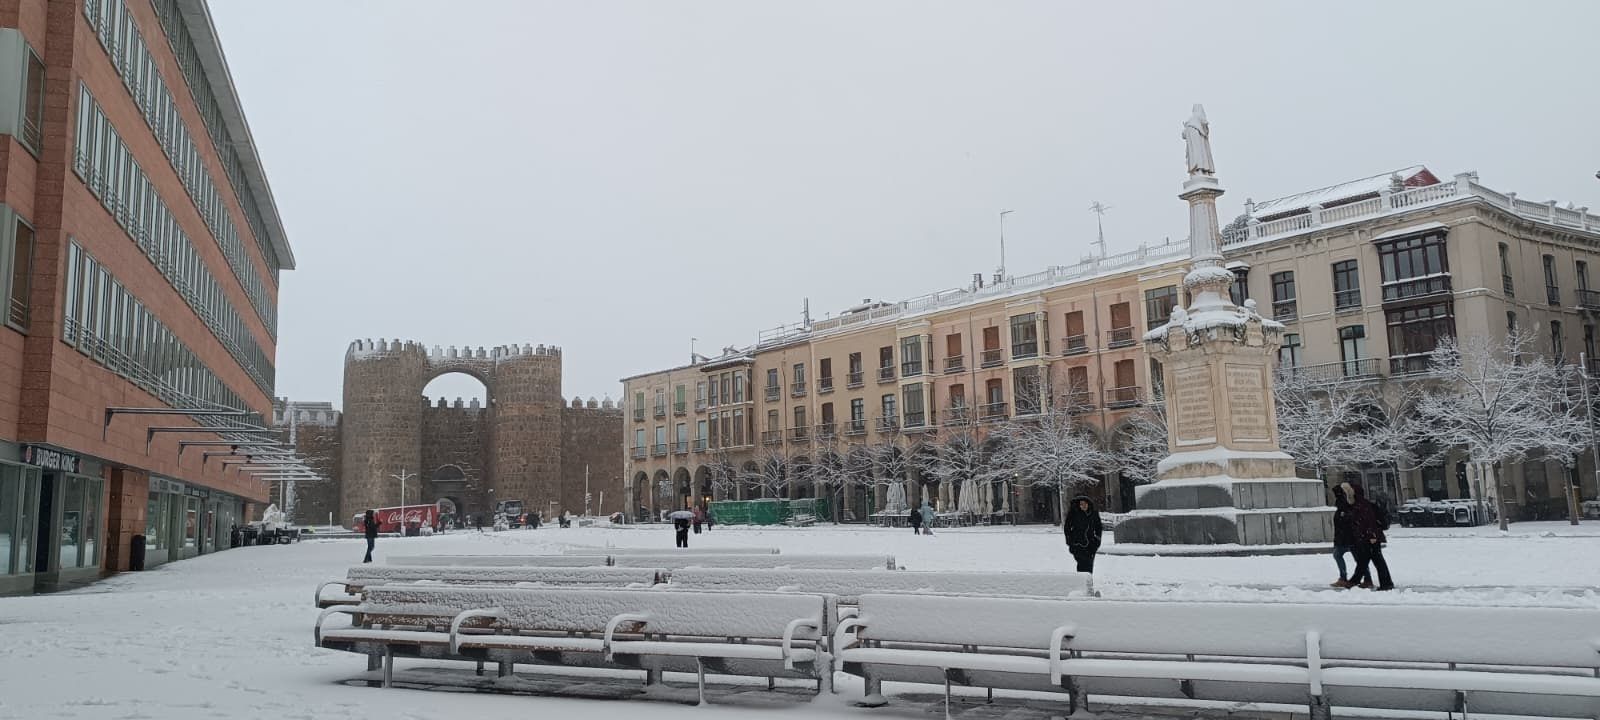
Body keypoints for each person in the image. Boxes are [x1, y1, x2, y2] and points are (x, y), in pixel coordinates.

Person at [1345, 482, 1395, 591]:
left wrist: (1372, 535)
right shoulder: (1360, 505)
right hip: (1367, 537)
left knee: (1372, 560)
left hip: (1370, 538)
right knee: (1368, 560)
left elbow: (1369, 521)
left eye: (1348, 494)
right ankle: (1356, 580)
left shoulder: (1362, 506)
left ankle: (1356, 581)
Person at [1063, 495, 1103, 573]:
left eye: (1085, 504)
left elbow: (1098, 527)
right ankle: (1082, 582)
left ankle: (1088, 583)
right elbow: (1067, 527)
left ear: (1088, 504)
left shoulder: (1093, 513)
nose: (1083, 506)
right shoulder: (1074, 514)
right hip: (1078, 544)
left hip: (1091, 544)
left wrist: (1098, 539)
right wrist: (1070, 541)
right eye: (1081, 504)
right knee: (1081, 565)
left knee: (1089, 565)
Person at [1330, 484, 1357, 588]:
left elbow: (1343, 522)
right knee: (1358, 558)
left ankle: (1344, 577)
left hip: (1345, 538)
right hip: (1347, 537)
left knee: (1338, 555)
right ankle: (1366, 577)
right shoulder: (1345, 504)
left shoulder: (1342, 505)